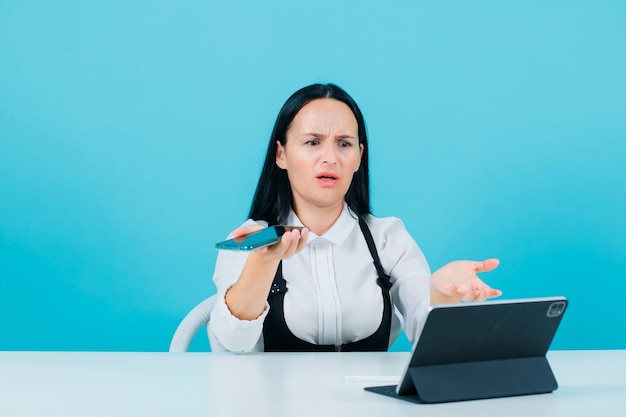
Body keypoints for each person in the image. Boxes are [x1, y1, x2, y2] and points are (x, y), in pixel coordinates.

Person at [208, 83, 502, 352]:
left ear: (360, 157)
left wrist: (441, 293)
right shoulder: (251, 239)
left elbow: (434, 340)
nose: (330, 157)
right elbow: (233, 343)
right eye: (313, 142)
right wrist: (264, 261)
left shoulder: (387, 237)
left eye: (344, 144)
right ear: (281, 154)